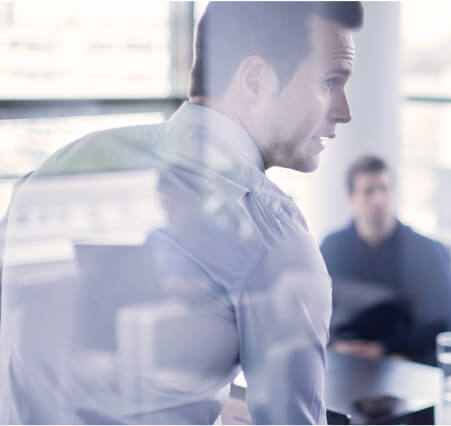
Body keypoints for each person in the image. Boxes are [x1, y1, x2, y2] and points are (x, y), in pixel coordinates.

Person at [0, 2, 363, 424]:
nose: (344, 111)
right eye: (329, 81)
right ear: (255, 80)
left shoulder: (61, 167)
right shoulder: (270, 232)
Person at [320, 155, 451, 364]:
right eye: (369, 191)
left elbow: (442, 321)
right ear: (351, 197)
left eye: (384, 189)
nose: (379, 200)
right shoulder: (332, 248)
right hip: (343, 358)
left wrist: (384, 349)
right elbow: (313, 312)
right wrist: (334, 345)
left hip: (403, 360)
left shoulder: (426, 251)